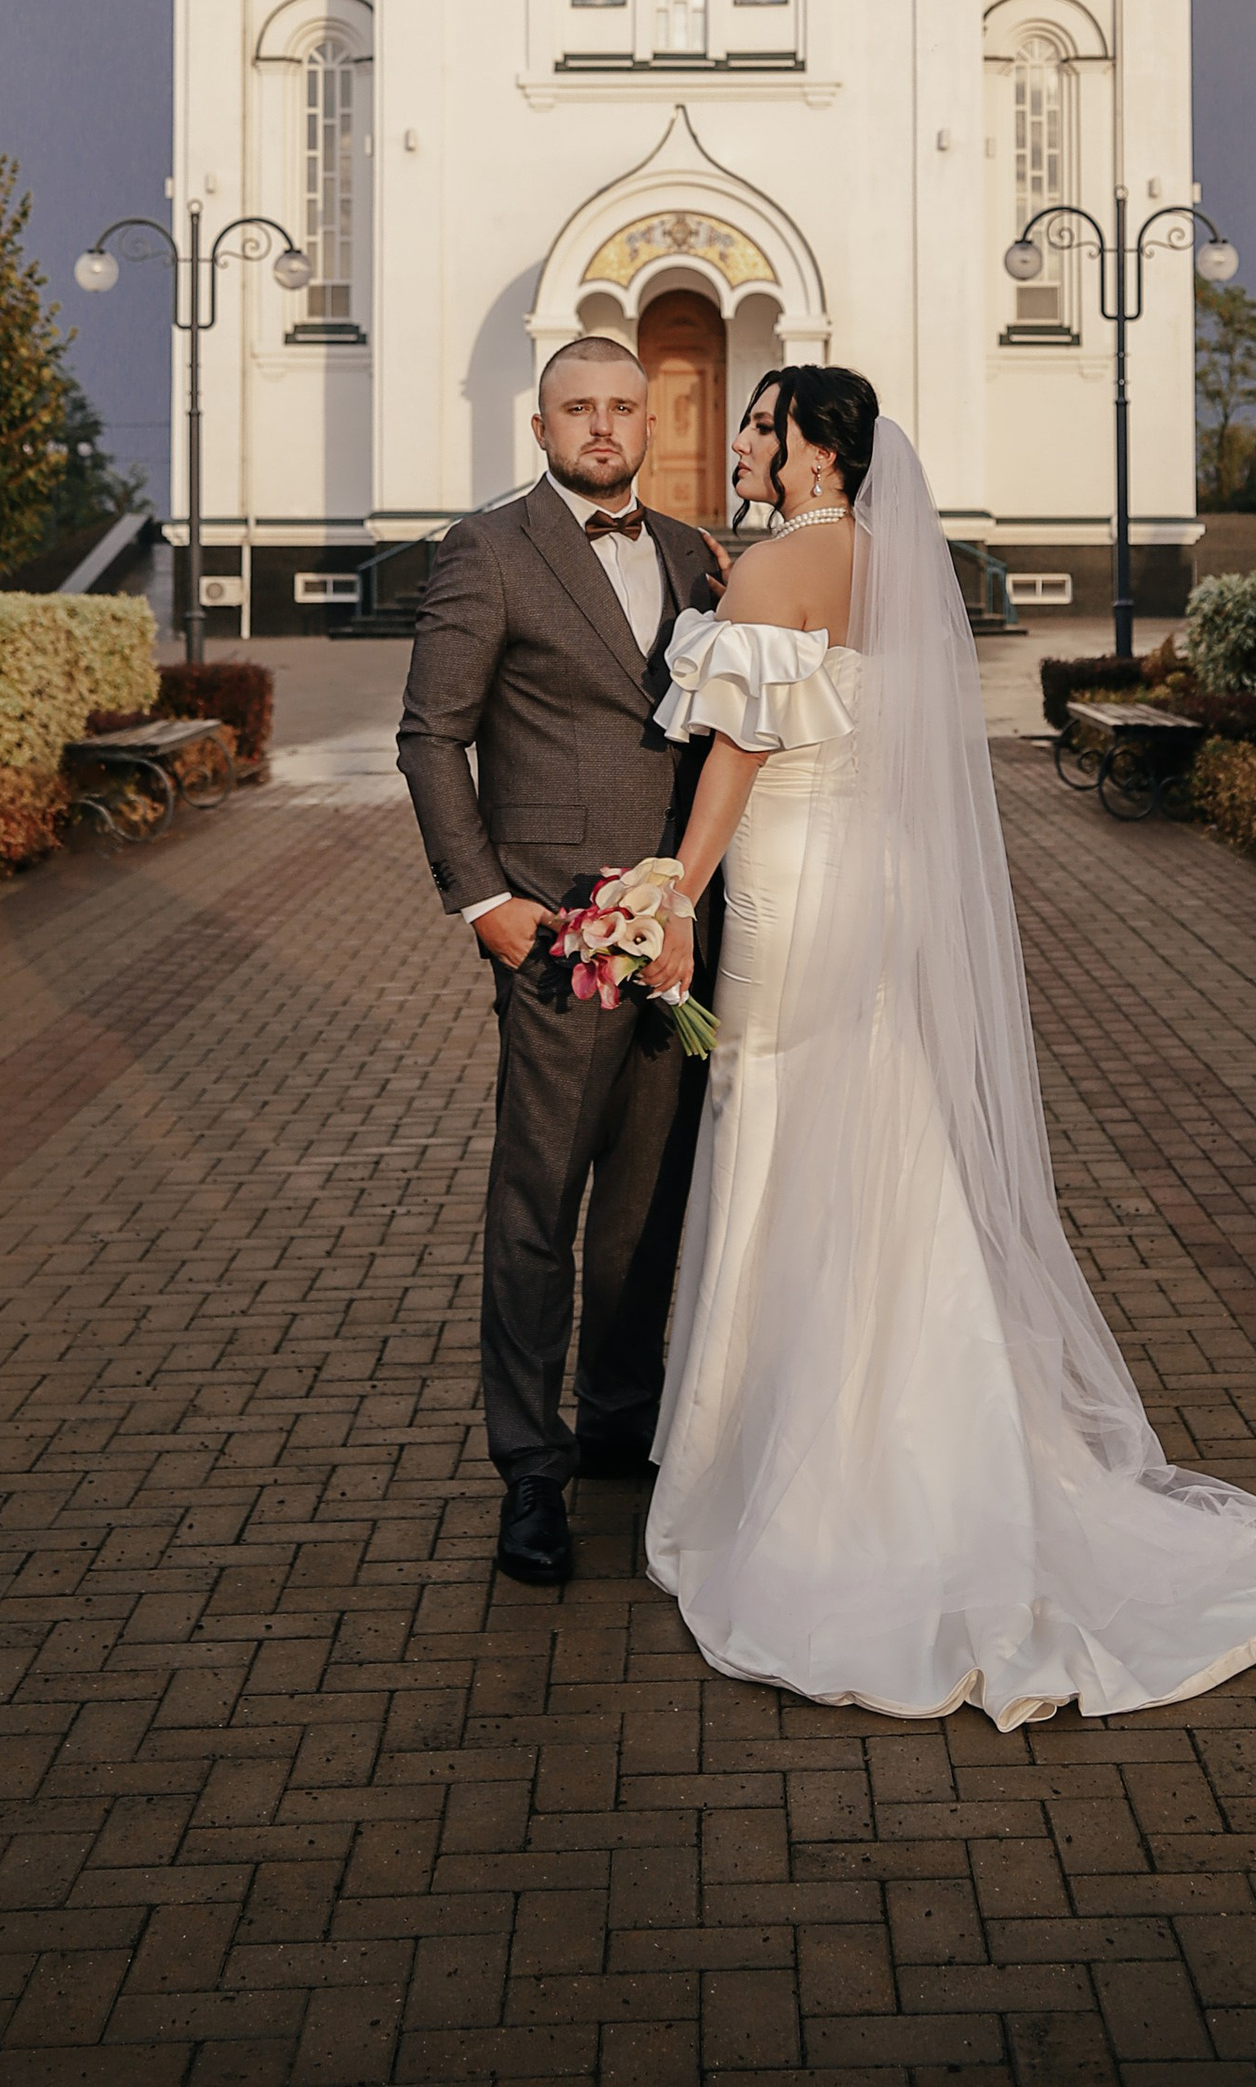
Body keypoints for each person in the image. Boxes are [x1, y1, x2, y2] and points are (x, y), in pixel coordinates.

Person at [638, 365, 1256, 1725]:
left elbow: (739, 753)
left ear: (821, 451)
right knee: (883, 1120)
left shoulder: (780, 568)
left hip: (794, 883)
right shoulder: (900, 565)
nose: (750, 441)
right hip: (878, 884)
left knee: (778, 1121)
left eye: (769, 425)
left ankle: (800, 1463)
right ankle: (953, 1437)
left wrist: (673, 889)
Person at [396, 335, 726, 1590]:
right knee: (538, 1205)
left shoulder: (698, 556)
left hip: (682, 934)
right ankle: (529, 1470)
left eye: (622, 408)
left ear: (649, 424)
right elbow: (432, 739)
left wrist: (695, 895)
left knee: (647, 1204)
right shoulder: (486, 550)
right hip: (552, 933)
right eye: (577, 409)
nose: (602, 427)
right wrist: (481, 896)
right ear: (539, 429)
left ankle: (618, 1433)